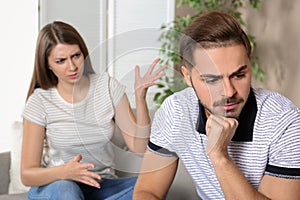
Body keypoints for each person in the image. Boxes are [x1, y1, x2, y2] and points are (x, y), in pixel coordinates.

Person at [133, 11, 300, 200]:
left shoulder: (285, 122)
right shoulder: (176, 110)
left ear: (249, 65)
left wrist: (219, 155)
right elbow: (147, 191)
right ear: (187, 76)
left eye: (238, 75)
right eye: (211, 80)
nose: (229, 92)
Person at [20, 21, 166, 200]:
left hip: (101, 185)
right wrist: (65, 172)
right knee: (67, 190)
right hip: (58, 186)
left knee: (152, 186)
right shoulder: (40, 101)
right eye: (61, 61)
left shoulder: (107, 86)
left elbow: (140, 147)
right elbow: (27, 174)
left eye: (76, 56)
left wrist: (140, 98)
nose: (72, 67)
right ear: (48, 64)